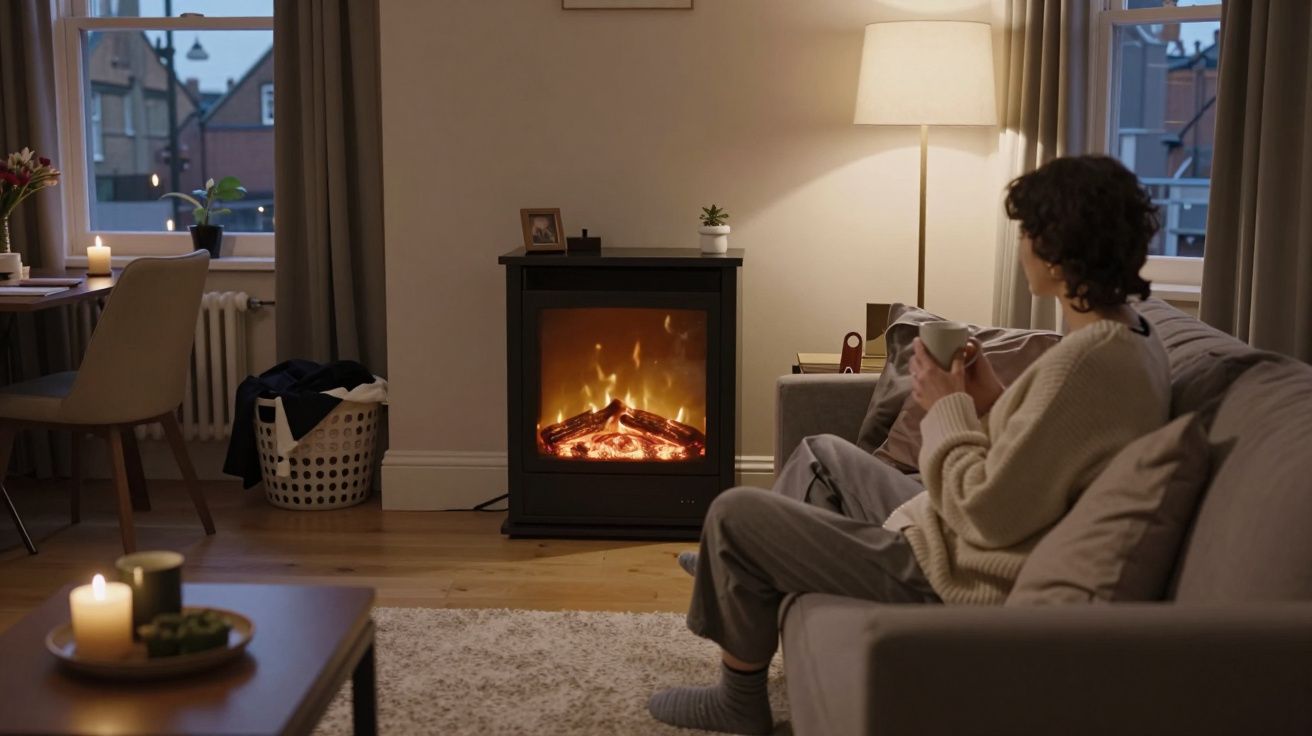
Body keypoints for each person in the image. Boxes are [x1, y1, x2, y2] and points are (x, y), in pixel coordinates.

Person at [648, 154, 1172, 735]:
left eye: (1027, 231)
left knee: (734, 512)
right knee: (822, 452)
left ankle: (737, 694)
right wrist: (987, 397)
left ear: (1056, 244)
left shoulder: (1087, 364)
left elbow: (987, 513)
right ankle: (742, 573)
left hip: (956, 571)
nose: (1021, 244)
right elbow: (1041, 458)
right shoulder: (1131, 338)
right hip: (953, 532)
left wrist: (945, 405)